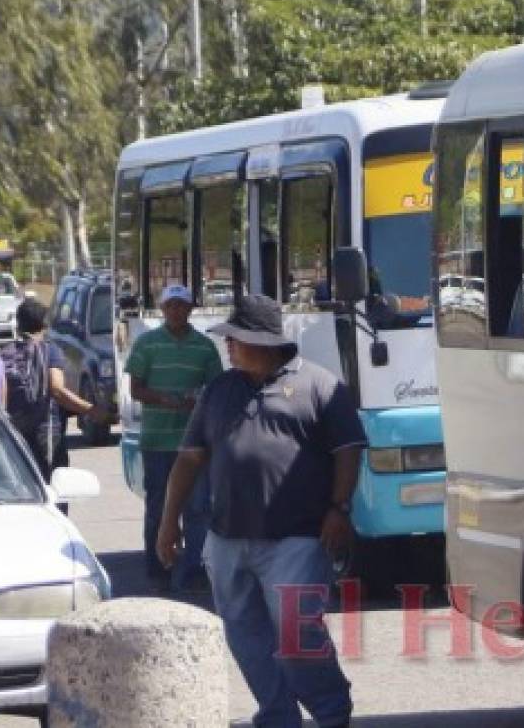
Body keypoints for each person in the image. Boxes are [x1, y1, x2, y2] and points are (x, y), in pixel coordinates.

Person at [158, 295, 366, 728]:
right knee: (245, 635)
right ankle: (277, 716)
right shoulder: (219, 390)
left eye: (235, 339)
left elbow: (348, 451)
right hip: (227, 538)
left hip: (298, 537)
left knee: (296, 631)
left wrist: (339, 508)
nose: (227, 347)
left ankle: (331, 711)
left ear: (265, 342)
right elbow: (190, 458)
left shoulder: (320, 386)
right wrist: (167, 522)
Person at [125, 284, 222, 591]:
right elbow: (135, 389)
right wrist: (164, 400)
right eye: (171, 306)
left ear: (191, 309)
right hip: (157, 441)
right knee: (158, 506)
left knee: (197, 508)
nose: (177, 311)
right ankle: (157, 564)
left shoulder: (205, 347)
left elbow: (217, 389)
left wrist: (199, 400)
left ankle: (194, 568)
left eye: (182, 306)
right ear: (162, 309)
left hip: (194, 444)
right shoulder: (146, 343)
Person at [3, 297, 110, 478]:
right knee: (54, 484)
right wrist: (92, 411)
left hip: (14, 428)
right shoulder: (50, 350)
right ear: (44, 324)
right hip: (45, 429)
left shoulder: (6, 352)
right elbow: (57, 390)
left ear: (19, 325)